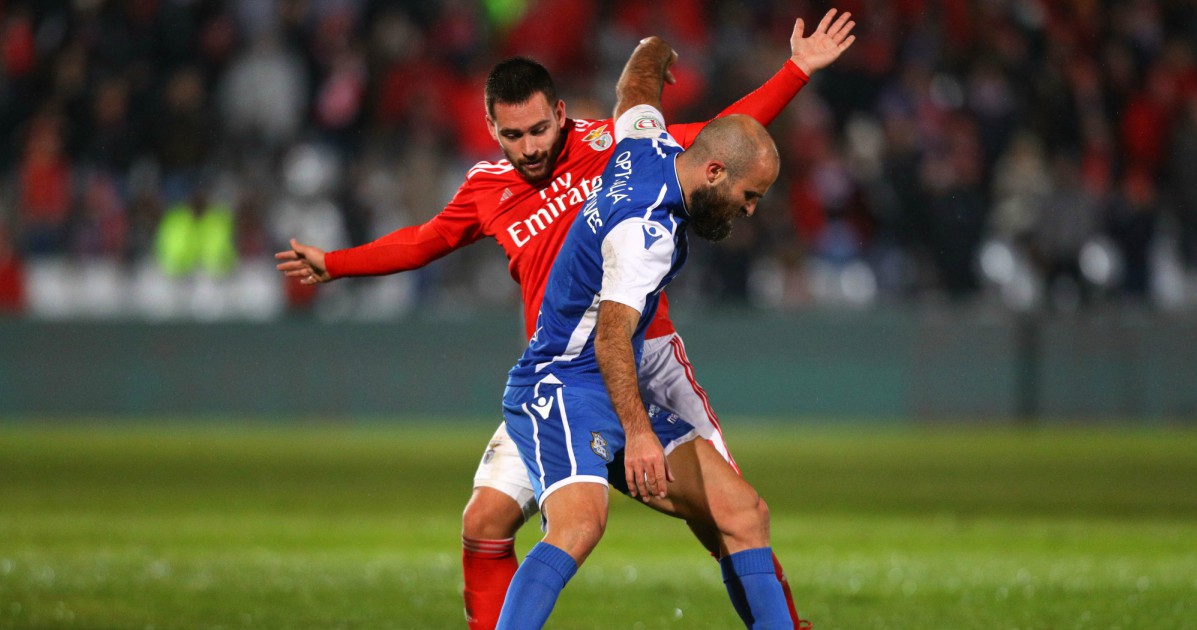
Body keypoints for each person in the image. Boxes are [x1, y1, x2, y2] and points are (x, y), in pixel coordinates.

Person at [276, 11, 856, 628]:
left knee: (730, 521)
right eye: (511, 135)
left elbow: (723, 142)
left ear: (559, 114)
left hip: (647, 353)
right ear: (493, 131)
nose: (528, 147)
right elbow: (423, 241)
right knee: (486, 520)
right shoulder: (487, 189)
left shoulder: (612, 147)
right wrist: (336, 263)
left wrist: (791, 70)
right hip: (566, 370)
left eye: (537, 130)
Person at [495, 35, 794, 628]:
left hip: (608, 381)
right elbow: (610, 336)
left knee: (744, 513)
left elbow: (634, 88)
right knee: (579, 524)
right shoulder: (646, 235)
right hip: (559, 384)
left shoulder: (643, 143)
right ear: (713, 171)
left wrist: (656, 49)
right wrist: (640, 434)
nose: (750, 210)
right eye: (747, 195)